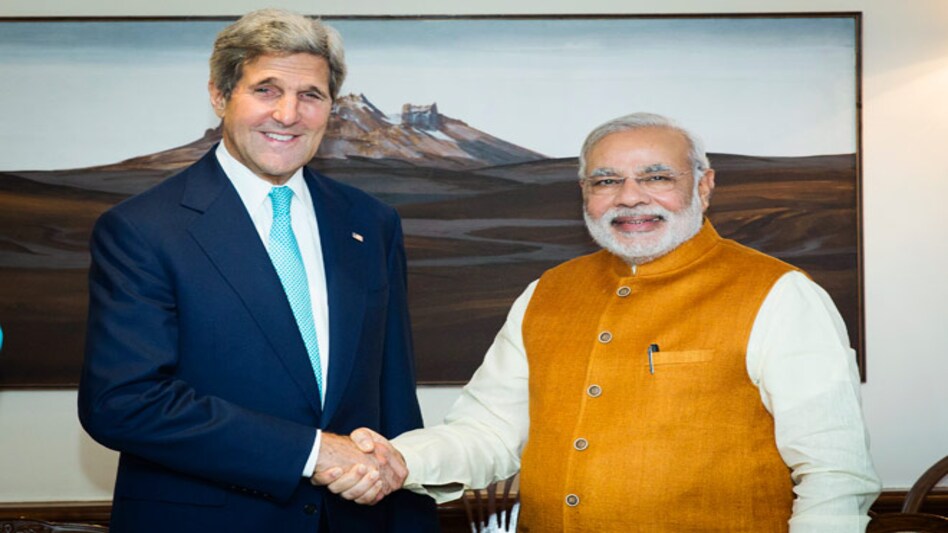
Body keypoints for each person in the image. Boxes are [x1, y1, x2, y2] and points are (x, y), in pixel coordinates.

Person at [327, 112, 882, 531]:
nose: (630, 197)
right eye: (606, 181)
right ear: (584, 195)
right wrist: (400, 458)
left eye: (657, 176)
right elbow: (489, 432)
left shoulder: (780, 295)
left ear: (704, 187)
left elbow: (836, 476)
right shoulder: (548, 292)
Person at [77, 9, 438, 532]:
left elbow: (394, 398)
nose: (288, 114)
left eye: (310, 95)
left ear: (330, 108)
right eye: (266, 90)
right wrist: (314, 453)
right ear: (220, 96)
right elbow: (123, 402)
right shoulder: (142, 230)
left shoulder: (370, 223)